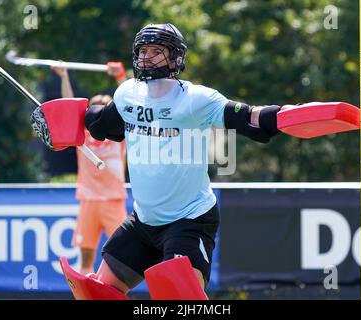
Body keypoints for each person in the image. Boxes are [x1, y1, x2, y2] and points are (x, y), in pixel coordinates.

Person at [78, 23, 283, 299]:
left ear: (176, 58)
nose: (146, 57)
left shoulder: (196, 99)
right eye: (143, 50)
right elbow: (103, 125)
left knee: (182, 298)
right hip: (143, 221)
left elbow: (248, 118)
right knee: (97, 293)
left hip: (189, 220)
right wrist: (64, 120)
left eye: (156, 51)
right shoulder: (128, 93)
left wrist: (284, 117)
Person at [51, 61, 128, 274]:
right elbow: (68, 107)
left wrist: (120, 77)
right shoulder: (82, 136)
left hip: (113, 200)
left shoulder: (120, 136)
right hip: (89, 200)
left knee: (122, 257)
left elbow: (133, 107)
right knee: (85, 260)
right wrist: (64, 75)